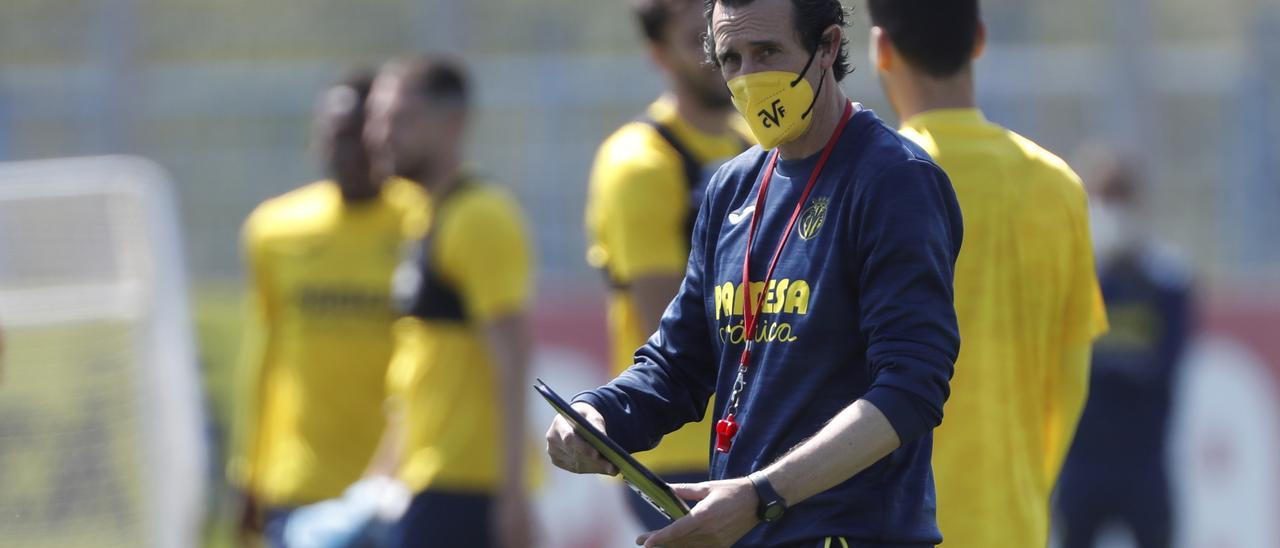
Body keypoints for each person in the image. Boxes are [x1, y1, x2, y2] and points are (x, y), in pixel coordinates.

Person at [547, 0, 965, 545]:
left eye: (766, 52)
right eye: (731, 58)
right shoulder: (731, 187)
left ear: (829, 46)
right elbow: (679, 363)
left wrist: (762, 495)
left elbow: (912, 387)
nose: (748, 77)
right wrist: (597, 415)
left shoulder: (894, 180)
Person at [864, 1, 1111, 546]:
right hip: (1013, 522)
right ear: (979, 39)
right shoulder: (1059, 186)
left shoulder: (873, 181)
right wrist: (1027, 490)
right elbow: (1070, 378)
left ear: (880, 48)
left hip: (890, 524)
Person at [229, 71, 428, 547]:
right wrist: (248, 472)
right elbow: (266, 354)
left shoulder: (425, 221)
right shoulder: (275, 230)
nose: (348, 151)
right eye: (335, 136)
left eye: (360, 136)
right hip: (299, 484)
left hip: (396, 485)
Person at [584, 0, 751, 530]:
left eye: (718, 37)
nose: (716, 54)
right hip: (677, 449)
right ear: (659, 54)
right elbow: (663, 320)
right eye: (693, 42)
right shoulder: (640, 161)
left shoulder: (749, 145)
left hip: (748, 432)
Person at [361, 55, 535, 548]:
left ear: (452, 124)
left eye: (400, 119)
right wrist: (382, 474)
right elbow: (425, 365)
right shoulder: (426, 212)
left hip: (468, 486)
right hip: (428, 479)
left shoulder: (480, 216)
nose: (379, 135)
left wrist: (512, 496)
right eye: (376, 119)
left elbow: (513, 357)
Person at [1055, 149, 1193, 548]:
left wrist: (1104, 365)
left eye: (1122, 198)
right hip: (1082, 458)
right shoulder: (1074, 276)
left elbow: (1165, 365)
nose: (1113, 211)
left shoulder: (1167, 281)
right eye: (1106, 198)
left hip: (1143, 460)